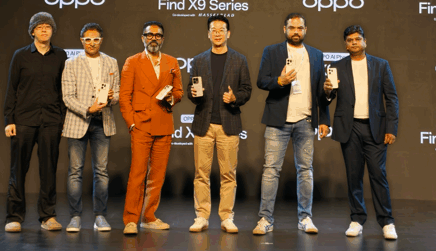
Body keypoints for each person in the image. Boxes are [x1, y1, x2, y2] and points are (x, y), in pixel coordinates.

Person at [253, 13, 330, 235]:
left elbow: (321, 91)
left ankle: (305, 218)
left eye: (300, 28)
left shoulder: (316, 55)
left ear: (306, 30)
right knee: (270, 171)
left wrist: (324, 119)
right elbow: (261, 81)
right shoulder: (272, 51)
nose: (296, 31)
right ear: (284, 29)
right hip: (278, 120)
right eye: (292, 27)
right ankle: (265, 219)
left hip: (306, 120)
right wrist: (279, 81)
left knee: (305, 170)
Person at [323, 25, 399, 240]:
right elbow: (328, 98)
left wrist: (391, 128)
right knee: (353, 176)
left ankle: (387, 222)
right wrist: (327, 91)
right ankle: (357, 219)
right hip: (350, 128)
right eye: (349, 40)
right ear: (345, 45)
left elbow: (391, 98)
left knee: (378, 175)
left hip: (376, 128)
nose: (354, 42)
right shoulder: (336, 66)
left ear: (365, 41)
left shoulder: (381, 65)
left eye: (357, 39)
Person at [188, 15, 252, 234]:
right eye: (213, 30)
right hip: (203, 125)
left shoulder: (239, 60)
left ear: (228, 33)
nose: (217, 33)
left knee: (228, 174)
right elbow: (190, 91)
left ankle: (227, 217)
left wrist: (235, 98)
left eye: (221, 30)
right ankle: (201, 216)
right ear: (208, 34)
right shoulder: (198, 60)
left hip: (229, 124)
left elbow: (247, 90)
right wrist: (194, 94)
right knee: (201, 174)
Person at [3, 12, 67, 232]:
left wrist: (62, 120)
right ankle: (14, 217)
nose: (44, 30)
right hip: (23, 121)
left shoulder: (60, 55)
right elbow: (11, 89)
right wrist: (9, 120)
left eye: (48, 26)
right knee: (18, 170)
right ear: (32, 31)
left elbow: (63, 90)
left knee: (49, 171)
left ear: (52, 30)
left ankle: (48, 216)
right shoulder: (20, 56)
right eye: (39, 27)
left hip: (51, 121)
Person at [120, 21, 183, 235]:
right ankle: (131, 219)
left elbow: (179, 92)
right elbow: (124, 96)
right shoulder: (132, 61)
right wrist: (131, 123)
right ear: (143, 38)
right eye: (149, 35)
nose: (153, 38)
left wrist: (171, 99)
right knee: (137, 174)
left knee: (157, 175)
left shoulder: (172, 62)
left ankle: (149, 217)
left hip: (163, 123)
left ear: (162, 39)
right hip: (141, 124)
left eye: (157, 35)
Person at [62, 23, 120, 232]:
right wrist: (88, 108)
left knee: (101, 172)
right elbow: (67, 97)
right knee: (75, 172)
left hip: (103, 122)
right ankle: (75, 217)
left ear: (101, 40)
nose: (92, 43)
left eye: (96, 39)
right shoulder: (71, 63)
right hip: (78, 121)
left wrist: (112, 97)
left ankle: (100, 216)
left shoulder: (112, 62)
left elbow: (118, 93)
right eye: (88, 39)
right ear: (82, 41)